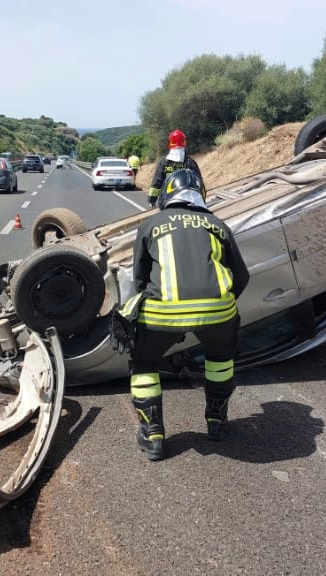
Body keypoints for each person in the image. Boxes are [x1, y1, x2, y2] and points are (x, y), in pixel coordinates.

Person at [110, 169, 249, 461]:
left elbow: (138, 279)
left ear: (167, 195)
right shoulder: (216, 224)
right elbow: (242, 277)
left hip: (162, 312)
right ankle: (216, 422)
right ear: (200, 193)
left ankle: (153, 436)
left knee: (145, 362)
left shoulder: (151, 225)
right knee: (220, 360)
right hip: (218, 312)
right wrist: (214, 308)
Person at [148, 129, 204, 208]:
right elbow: (199, 182)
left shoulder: (164, 162)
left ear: (170, 143)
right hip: (189, 200)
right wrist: (201, 201)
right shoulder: (190, 162)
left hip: (168, 199)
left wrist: (152, 199)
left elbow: (157, 181)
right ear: (184, 143)